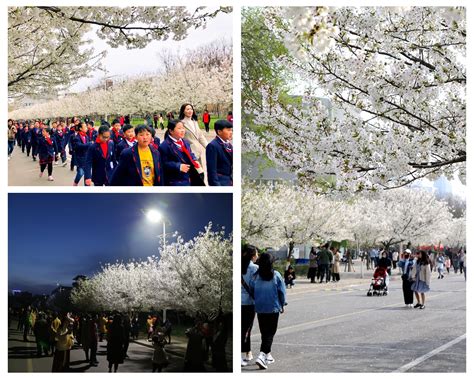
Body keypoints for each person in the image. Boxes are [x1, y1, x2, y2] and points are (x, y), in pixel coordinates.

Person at [249, 252, 286, 370]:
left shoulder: (255, 276)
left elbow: (251, 290)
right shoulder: (276, 275)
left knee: (264, 332)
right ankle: (261, 355)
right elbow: (282, 292)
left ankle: (268, 355)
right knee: (270, 333)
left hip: (260, 308)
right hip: (273, 308)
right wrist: (282, 304)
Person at [159, 120, 204, 186]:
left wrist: (194, 159)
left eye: (183, 128)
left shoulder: (185, 142)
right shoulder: (164, 146)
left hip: (189, 177)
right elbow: (163, 163)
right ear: (171, 131)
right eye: (179, 128)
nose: (182, 130)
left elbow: (190, 153)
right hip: (176, 180)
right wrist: (178, 166)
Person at [241, 245, 258, 367]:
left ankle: (248, 351)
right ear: (252, 256)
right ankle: (243, 353)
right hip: (249, 302)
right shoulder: (254, 268)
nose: (258, 256)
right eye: (256, 254)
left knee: (242, 328)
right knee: (246, 329)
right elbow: (255, 286)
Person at [179, 103, 207, 176]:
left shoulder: (195, 122)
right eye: (187, 109)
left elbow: (200, 136)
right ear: (183, 111)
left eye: (191, 109)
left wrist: (209, 147)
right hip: (189, 153)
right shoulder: (181, 123)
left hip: (198, 152)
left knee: (201, 174)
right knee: (197, 175)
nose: (190, 111)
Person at [206, 120, 233, 186]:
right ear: (219, 131)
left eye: (231, 130)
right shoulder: (213, 146)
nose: (231, 132)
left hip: (229, 180)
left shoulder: (229, 145)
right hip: (221, 181)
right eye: (228, 130)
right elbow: (212, 170)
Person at [72, 122, 92, 186]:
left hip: (87, 158)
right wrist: (89, 144)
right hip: (80, 158)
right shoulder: (76, 138)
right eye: (85, 127)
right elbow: (79, 146)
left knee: (87, 174)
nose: (86, 128)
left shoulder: (86, 136)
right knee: (80, 173)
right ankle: (75, 182)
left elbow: (88, 146)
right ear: (80, 128)